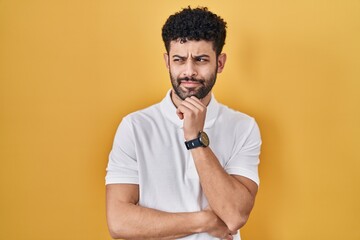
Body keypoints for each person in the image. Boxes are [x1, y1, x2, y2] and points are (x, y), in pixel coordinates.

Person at [105, 6, 261, 240]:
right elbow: (119, 223)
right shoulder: (135, 127)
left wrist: (195, 140)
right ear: (167, 61)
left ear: (220, 63)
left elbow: (235, 215)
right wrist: (205, 221)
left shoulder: (243, 127)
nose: (189, 71)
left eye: (201, 60)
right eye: (179, 59)